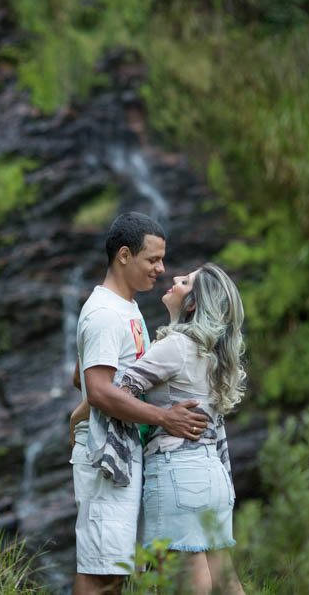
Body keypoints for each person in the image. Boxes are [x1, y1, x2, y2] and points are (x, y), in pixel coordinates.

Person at [70, 212, 208, 595]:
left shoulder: (126, 307)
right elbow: (98, 389)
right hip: (105, 457)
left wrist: (80, 411)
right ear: (124, 255)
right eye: (153, 259)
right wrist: (164, 418)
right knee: (101, 572)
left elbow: (82, 376)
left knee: (116, 571)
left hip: (124, 453)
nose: (161, 269)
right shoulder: (104, 313)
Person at [116, 263, 247, 594]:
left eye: (185, 281)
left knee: (185, 581)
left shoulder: (176, 345)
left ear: (193, 304)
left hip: (178, 474)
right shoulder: (214, 355)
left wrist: (162, 417)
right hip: (214, 476)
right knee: (226, 582)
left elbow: (117, 394)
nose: (174, 279)